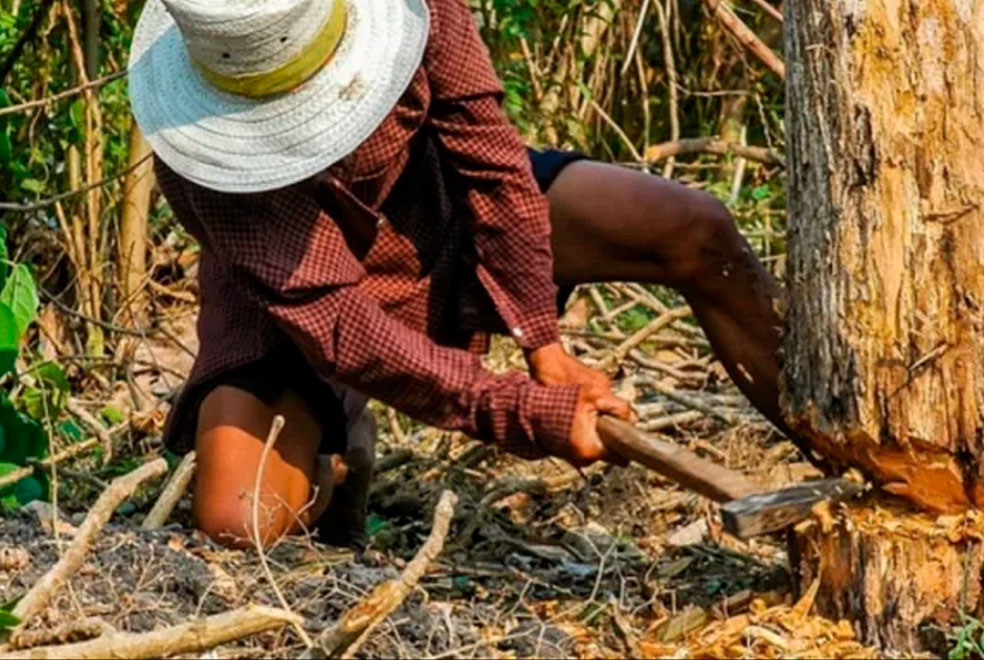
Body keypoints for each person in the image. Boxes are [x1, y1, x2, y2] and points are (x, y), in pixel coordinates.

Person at [129, 0, 799, 549]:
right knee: (236, 520)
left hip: (442, 217)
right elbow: (340, 326)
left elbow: (493, 166)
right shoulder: (204, 171)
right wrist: (521, 412)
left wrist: (545, 345)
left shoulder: (416, 14)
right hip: (303, 309)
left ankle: (845, 450)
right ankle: (336, 438)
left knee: (692, 228)